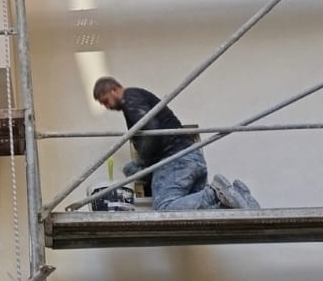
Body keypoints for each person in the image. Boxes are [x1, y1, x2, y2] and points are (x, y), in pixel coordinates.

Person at [92, 76, 259, 211]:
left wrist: (141, 162)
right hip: (191, 157)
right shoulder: (138, 98)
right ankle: (238, 195)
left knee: (164, 207)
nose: (107, 107)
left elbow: (152, 130)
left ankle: (215, 194)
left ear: (114, 90)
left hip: (174, 160)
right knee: (200, 214)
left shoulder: (131, 98)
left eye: (105, 101)